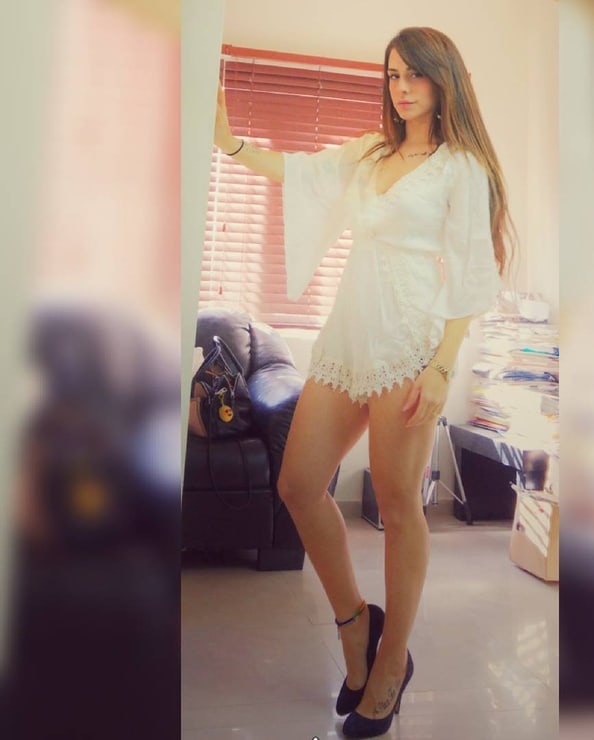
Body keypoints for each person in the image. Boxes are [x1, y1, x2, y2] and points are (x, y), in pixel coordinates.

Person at [213, 26, 515, 739]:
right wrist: (229, 142)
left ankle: (391, 664)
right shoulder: (373, 151)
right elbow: (300, 172)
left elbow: (473, 274)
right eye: (393, 75)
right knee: (298, 484)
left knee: (400, 506)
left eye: (415, 75)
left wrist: (442, 367)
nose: (401, 88)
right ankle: (356, 624)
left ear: (444, 79)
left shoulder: (462, 167)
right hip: (351, 335)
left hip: (412, 345)